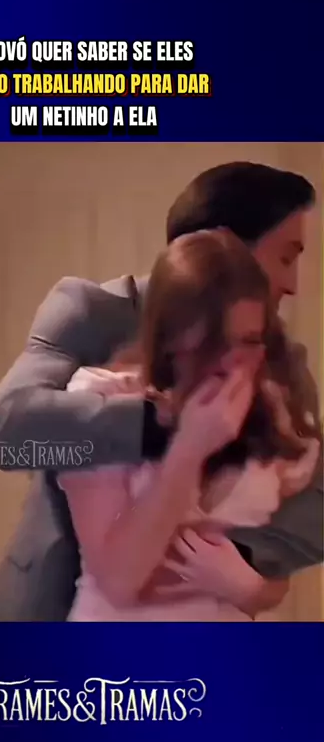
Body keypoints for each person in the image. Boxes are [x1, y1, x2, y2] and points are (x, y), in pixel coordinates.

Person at [0, 162, 323, 622]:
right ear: (221, 242)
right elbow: (13, 435)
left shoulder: (276, 357)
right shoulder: (89, 312)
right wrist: (170, 425)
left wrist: (244, 571)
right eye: (285, 256)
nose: (292, 285)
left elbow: (312, 502)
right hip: (48, 608)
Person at [58, 231, 320, 621]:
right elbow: (118, 580)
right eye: (215, 342)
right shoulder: (98, 401)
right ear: (169, 338)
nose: (233, 362)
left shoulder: (269, 406)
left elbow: (276, 561)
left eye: (249, 340)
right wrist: (189, 449)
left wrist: (250, 588)